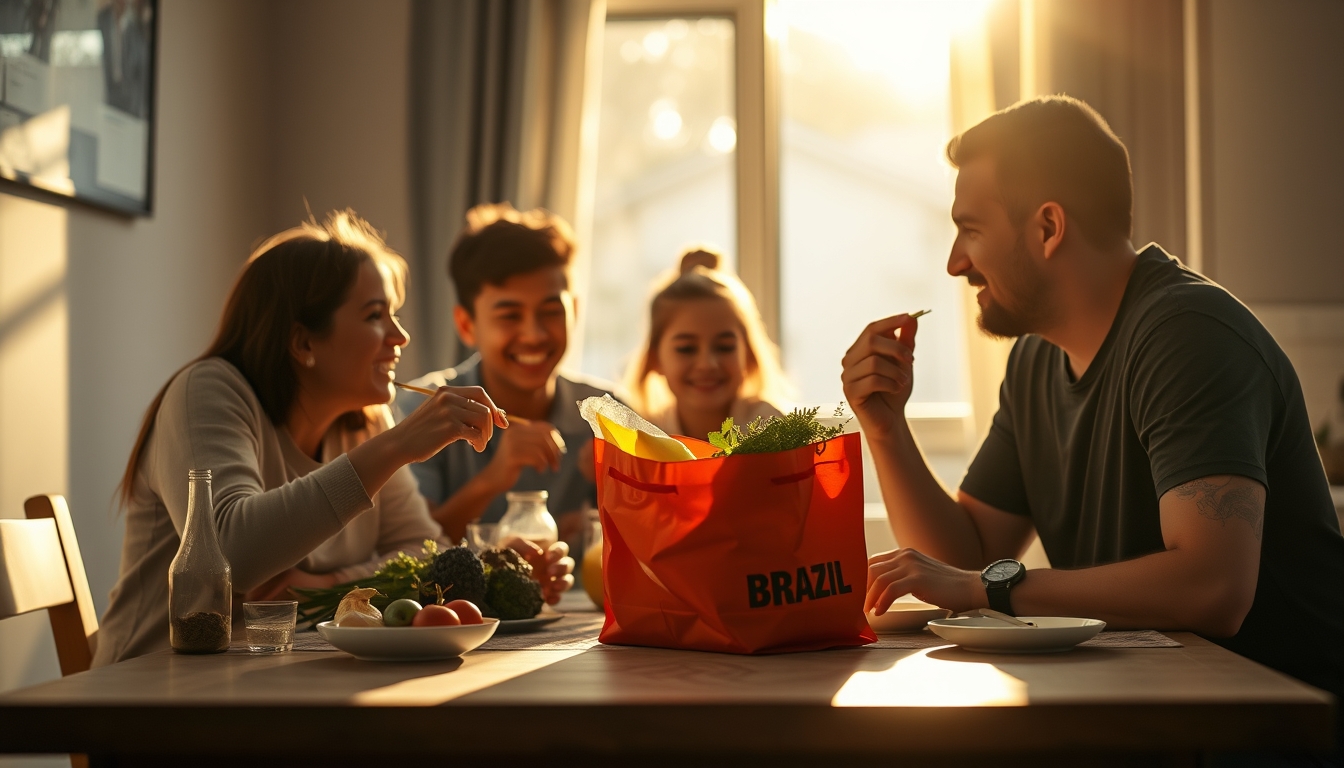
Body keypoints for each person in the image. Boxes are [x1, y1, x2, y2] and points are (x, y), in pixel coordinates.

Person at [845, 96, 1344, 742]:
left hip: (1278, 736)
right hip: (1152, 720)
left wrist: (986, 591)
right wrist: (886, 430)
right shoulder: (1034, 362)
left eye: (970, 229)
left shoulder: (1187, 335)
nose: (955, 263)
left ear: (1048, 228)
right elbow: (968, 556)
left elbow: (1214, 588)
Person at [94, 211, 569, 666]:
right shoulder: (208, 390)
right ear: (303, 343)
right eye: (374, 316)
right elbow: (229, 552)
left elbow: (423, 550)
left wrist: (324, 585)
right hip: (153, 698)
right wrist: (399, 445)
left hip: (271, 687)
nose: (399, 337)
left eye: (394, 314)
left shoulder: (363, 420)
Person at [394, 203, 617, 546]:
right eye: (510, 316)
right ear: (467, 325)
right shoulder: (421, 410)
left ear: (574, 310)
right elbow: (406, 550)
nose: (535, 334)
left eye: (551, 311)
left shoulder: (609, 416)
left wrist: (614, 503)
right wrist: (493, 479)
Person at [625, 248, 789, 441]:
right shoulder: (640, 436)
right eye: (686, 349)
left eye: (725, 347)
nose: (707, 364)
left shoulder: (771, 427)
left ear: (748, 353)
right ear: (654, 358)